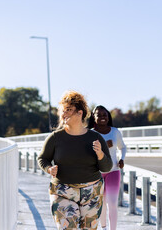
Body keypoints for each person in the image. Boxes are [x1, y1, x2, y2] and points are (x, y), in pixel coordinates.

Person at [38, 91, 113, 230]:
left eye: (69, 110)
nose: (64, 113)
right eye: (63, 110)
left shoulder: (95, 138)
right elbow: (42, 158)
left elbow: (107, 167)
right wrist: (49, 168)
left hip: (92, 193)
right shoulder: (55, 138)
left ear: (80, 113)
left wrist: (100, 154)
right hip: (63, 191)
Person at [88, 105, 127, 230]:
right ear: (94, 118)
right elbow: (87, 152)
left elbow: (123, 147)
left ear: (108, 117)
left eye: (105, 115)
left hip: (113, 171)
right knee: (101, 203)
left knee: (113, 203)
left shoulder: (115, 132)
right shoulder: (90, 134)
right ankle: (104, 227)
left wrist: (122, 159)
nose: (102, 117)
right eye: (99, 115)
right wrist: (105, 145)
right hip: (97, 173)